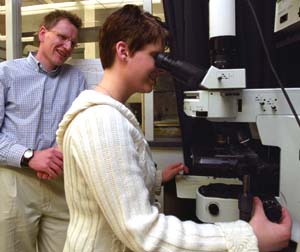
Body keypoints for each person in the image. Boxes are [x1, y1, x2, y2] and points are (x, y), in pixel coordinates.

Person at [56, 4, 291, 252]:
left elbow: (110, 188)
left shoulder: (110, 116)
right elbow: (145, 233)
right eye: (156, 56)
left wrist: (155, 178)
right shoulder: (102, 123)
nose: (160, 67)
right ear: (123, 51)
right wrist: (247, 238)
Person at [0, 10, 87, 252]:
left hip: (60, 184)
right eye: (62, 37)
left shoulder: (76, 79)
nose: (67, 46)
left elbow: (79, 128)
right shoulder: (6, 74)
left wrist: (60, 152)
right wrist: (30, 157)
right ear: (42, 33)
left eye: (73, 42)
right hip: (14, 183)